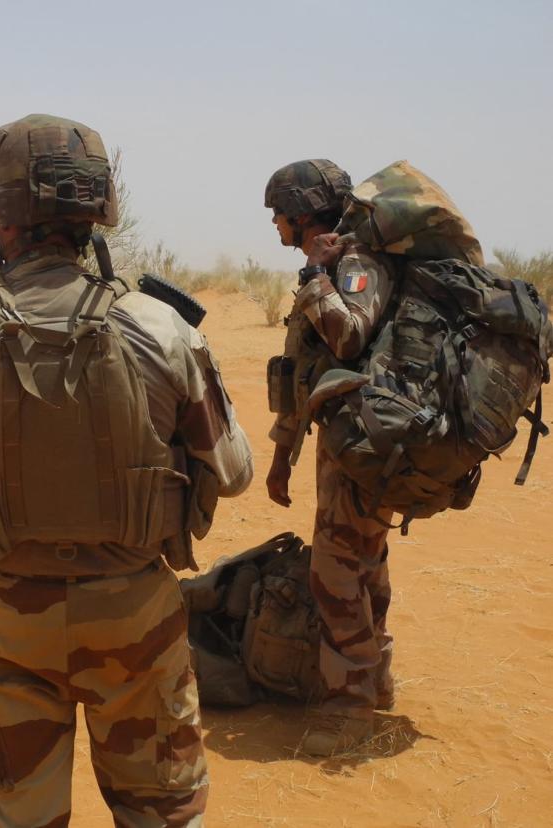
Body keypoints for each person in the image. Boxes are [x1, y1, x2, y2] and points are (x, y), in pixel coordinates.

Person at [0, 113, 253, 827]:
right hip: (137, 622)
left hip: (7, 626)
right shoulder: (162, 328)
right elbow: (236, 469)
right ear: (97, 212)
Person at [263, 159, 400, 756]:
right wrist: (282, 453)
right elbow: (302, 369)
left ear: (303, 212)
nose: (274, 225)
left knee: (338, 573)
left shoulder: (356, 265)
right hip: (343, 442)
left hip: (365, 444)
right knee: (362, 561)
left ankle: (349, 712)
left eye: (279, 214)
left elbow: (348, 337)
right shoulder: (326, 266)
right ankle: (377, 683)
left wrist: (318, 274)